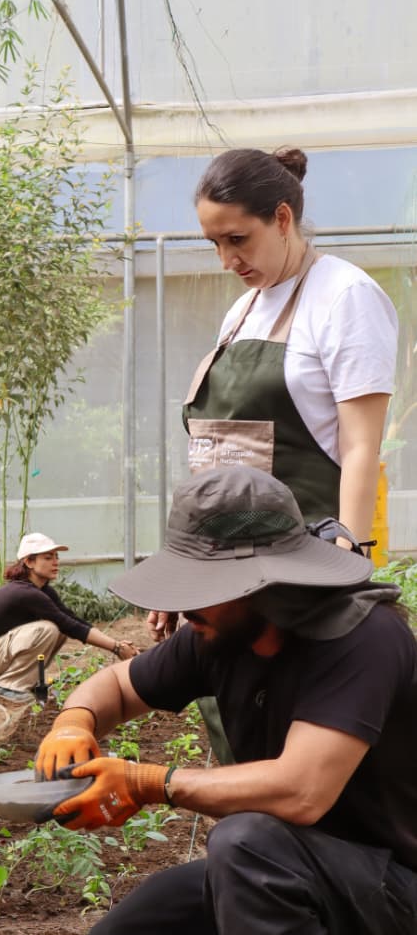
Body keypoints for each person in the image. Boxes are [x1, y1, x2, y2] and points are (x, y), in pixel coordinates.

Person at [34, 465, 417, 935]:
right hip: (297, 881)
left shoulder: (362, 638)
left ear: (260, 584)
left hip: (395, 900)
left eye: (200, 587)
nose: (183, 608)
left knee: (247, 839)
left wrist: (149, 781)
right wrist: (74, 719)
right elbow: (117, 685)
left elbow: (301, 791)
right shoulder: (219, 633)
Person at [150, 147, 399, 761]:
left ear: (282, 218)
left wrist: (348, 551)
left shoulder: (345, 297)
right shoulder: (241, 311)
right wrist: (182, 569)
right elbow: (214, 454)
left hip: (297, 572)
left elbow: (360, 444)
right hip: (226, 573)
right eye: (214, 243)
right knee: (233, 730)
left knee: (294, 738)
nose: (226, 260)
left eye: (238, 239)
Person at [0, 532, 136, 702]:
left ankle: (26, 681)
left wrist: (117, 644)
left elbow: (72, 620)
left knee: (58, 629)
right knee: (49, 628)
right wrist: (116, 648)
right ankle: (10, 686)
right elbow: (70, 626)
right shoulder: (25, 593)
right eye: (48, 558)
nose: (55, 562)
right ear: (29, 562)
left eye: (56, 557)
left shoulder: (43, 591)